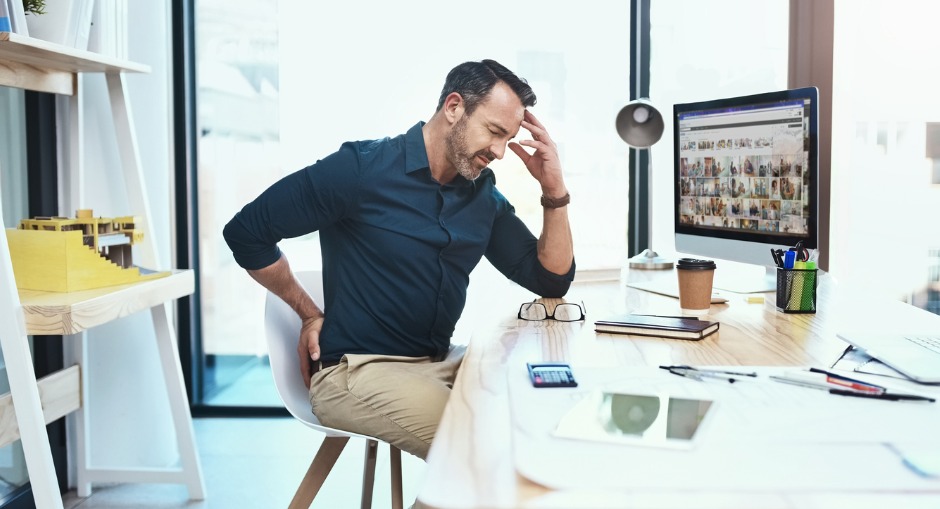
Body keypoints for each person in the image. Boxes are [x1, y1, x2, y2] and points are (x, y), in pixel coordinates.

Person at [222, 59, 575, 460]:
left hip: (440, 361)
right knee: (483, 450)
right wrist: (307, 313)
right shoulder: (360, 170)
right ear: (454, 107)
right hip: (358, 371)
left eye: (507, 139)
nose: (499, 152)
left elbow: (550, 280)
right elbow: (247, 232)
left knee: (539, 414)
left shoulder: (482, 197)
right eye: (494, 132)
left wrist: (554, 189)